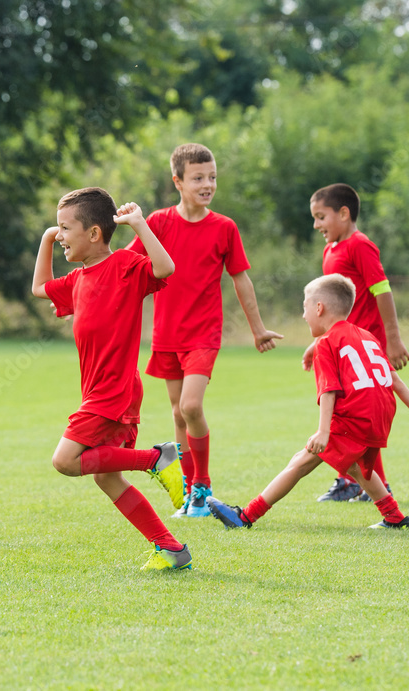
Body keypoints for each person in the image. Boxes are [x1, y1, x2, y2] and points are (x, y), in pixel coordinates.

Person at [31, 187, 192, 570]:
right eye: (58, 228)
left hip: (113, 391)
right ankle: (170, 548)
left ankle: (157, 458)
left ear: (94, 234)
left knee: (65, 461)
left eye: (65, 228)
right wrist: (45, 239)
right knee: (107, 479)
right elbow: (39, 288)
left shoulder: (124, 265)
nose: (61, 236)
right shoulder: (77, 280)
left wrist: (139, 223)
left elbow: (165, 268)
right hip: (101, 391)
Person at [207, 274, 409, 531]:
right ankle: (395, 518)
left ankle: (245, 516)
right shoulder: (366, 336)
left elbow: (329, 390)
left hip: (356, 416)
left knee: (301, 461)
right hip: (380, 417)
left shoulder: (327, 342)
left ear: (319, 308)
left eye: (305, 307)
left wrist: (323, 431)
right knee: (355, 466)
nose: (304, 315)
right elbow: (396, 382)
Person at [126, 143, 283, 519]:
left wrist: (258, 329)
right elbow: (127, 267)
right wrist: (79, 297)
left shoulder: (224, 228)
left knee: (191, 406)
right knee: (179, 416)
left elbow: (241, 281)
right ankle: (191, 494)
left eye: (212, 177)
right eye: (198, 178)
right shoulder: (159, 223)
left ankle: (203, 486)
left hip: (204, 334)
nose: (207, 184)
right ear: (177, 181)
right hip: (166, 335)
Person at [305, 183, 409, 503]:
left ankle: (367, 483)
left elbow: (382, 291)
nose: (316, 225)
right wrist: (319, 342)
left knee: (353, 416)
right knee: (346, 415)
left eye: (321, 217)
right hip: (340, 346)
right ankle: (354, 481)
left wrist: (392, 339)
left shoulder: (360, 245)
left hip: (365, 347)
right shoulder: (330, 250)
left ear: (344, 213)